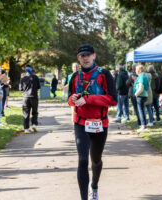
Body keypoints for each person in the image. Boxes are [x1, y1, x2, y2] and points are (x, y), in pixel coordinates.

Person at [68, 44, 117, 200]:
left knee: (95, 160)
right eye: (82, 56)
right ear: (79, 58)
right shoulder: (75, 77)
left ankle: (94, 185)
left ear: (94, 56)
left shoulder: (104, 74)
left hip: (99, 123)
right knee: (82, 160)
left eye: (88, 55)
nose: (86, 58)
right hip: (81, 122)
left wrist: (88, 99)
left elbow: (113, 100)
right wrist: (73, 99)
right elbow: (70, 99)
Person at [19, 65, 40, 134]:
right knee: (34, 111)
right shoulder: (35, 77)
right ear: (31, 70)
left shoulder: (23, 78)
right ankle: (34, 124)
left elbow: (20, 89)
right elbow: (38, 87)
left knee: (26, 113)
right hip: (34, 96)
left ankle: (26, 128)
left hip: (25, 97)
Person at [134, 64, 150, 133]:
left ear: (138, 70)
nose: (135, 71)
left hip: (140, 95)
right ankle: (144, 125)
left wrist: (136, 94)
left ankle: (143, 125)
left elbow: (141, 87)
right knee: (143, 110)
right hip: (145, 95)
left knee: (140, 111)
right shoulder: (145, 76)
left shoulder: (141, 77)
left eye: (136, 70)